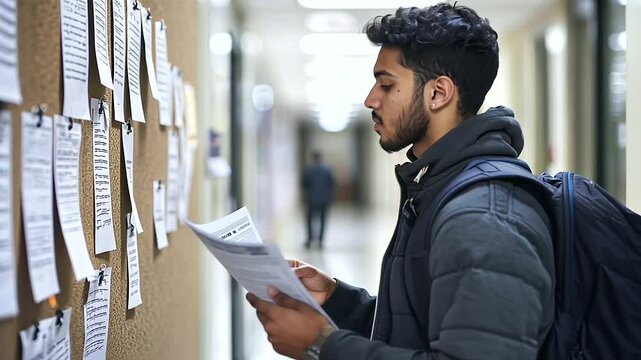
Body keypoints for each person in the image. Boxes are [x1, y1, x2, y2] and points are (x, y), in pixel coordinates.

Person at [247, 3, 554, 360]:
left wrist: (323, 345)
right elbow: (425, 326)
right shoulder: (441, 187)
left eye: (386, 84)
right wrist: (338, 300)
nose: (370, 99)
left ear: (439, 93)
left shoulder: (483, 217)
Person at [301, 151, 335, 249]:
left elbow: (304, 184)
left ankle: (310, 240)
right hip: (324, 200)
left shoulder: (308, 170)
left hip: (311, 199)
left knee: (309, 220)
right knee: (323, 221)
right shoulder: (327, 170)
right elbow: (331, 185)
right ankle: (320, 241)